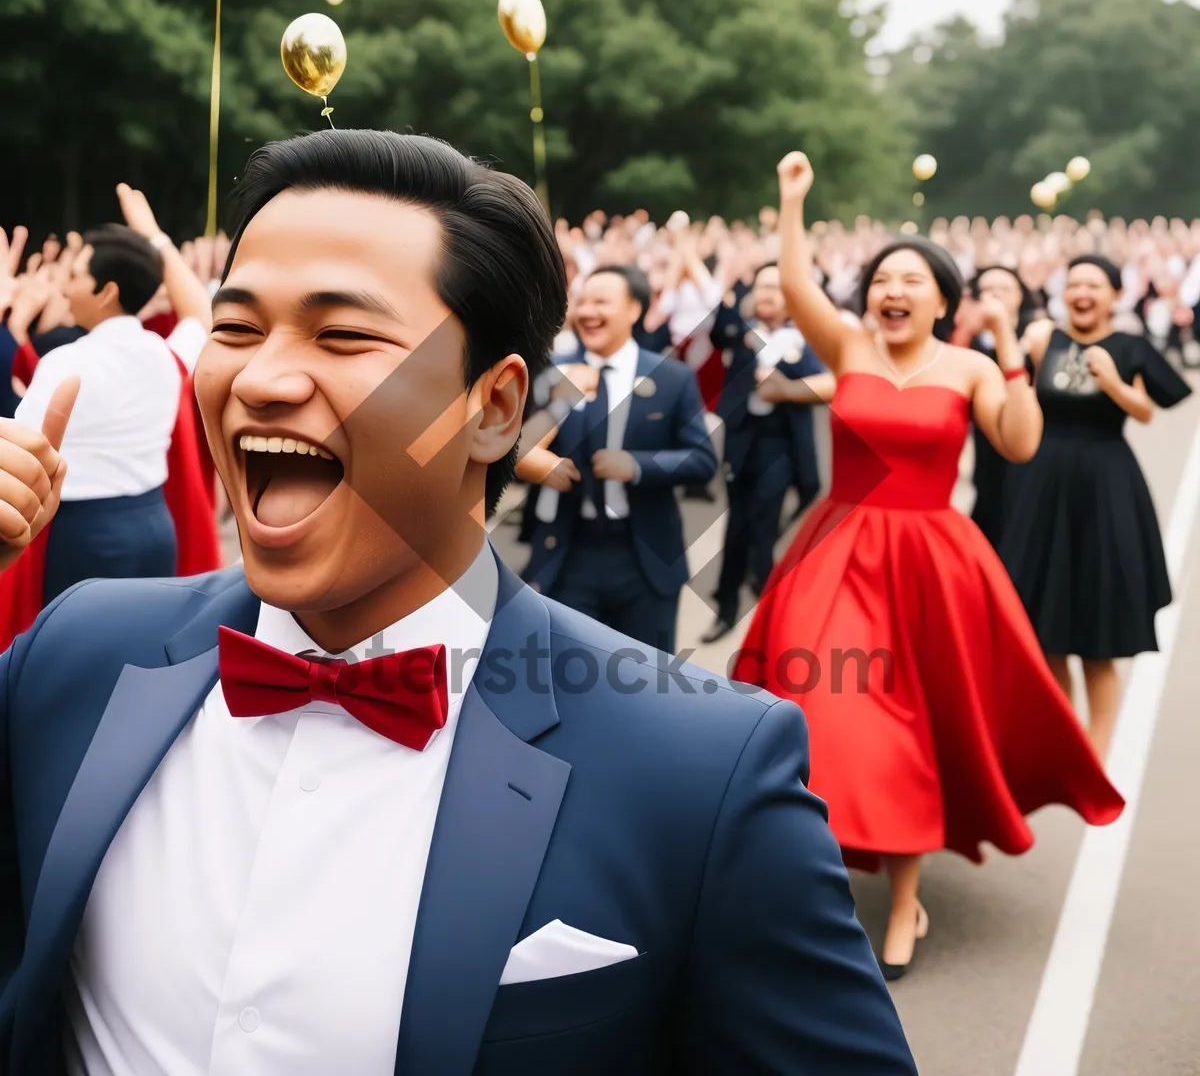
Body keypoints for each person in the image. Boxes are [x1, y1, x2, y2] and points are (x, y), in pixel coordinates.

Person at [0, 130, 917, 1076]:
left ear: (492, 407)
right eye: (235, 329)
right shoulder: (73, 656)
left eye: (343, 334)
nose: (263, 379)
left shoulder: (702, 772)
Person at [735, 152, 1124, 983]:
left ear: (943, 301)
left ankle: (906, 896)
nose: (893, 289)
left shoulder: (973, 367)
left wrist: (1009, 349)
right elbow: (799, 283)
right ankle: (808, 878)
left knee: (908, 727)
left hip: (931, 563)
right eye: (883, 277)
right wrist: (793, 202)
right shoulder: (846, 345)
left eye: (912, 279)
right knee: (820, 709)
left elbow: (1018, 442)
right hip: (836, 551)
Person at [1000, 254, 1192, 756]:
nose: (1082, 293)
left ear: (1114, 293)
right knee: (1048, 633)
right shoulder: (1045, 340)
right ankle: (1064, 739)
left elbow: (1151, 411)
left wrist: (1112, 384)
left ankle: (1097, 749)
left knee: (1098, 636)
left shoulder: (1129, 346)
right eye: (1075, 284)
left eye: (1094, 285)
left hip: (1106, 485)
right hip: (1043, 485)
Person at [7, 205, 211, 605]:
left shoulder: (65, 363)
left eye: (76, 276)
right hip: (155, 526)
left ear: (108, 292)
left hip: (83, 535)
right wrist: (154, 236)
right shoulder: (165, 354)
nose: (65, 289)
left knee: (76, 656)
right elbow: (202, 315)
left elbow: (19, 450)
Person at [521, 264, 717, 654]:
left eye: (601, 302)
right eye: (582, 301)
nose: (588, 312)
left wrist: (638, 465)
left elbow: (702, 459)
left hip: (645, 558)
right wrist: (562, 400)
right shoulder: (553, 372)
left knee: (644, 684)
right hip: (570, 551)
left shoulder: (672, 378)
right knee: (566, 676)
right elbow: (516, 448)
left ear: (634, 310)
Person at [702, 262, 830, 643]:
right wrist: (727, 292)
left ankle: (769, 610)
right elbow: (718, 334)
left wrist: (786, 374)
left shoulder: (806, 337)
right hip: (743, 440)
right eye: (761, 287)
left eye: (777, 287)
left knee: (764, 526)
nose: (768, 294)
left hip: (782, 445)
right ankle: (727, 607)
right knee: (738, 527)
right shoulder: (742, 332)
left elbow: (818, 375)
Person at [959, 264, 1043, 548]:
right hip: (985, 438)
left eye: (1004, 289)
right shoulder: (966, 339)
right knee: (989, 498)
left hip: (1030, 437)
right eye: (987, 290)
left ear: (1020, 295)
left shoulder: (1037, 335)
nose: (995, 295)